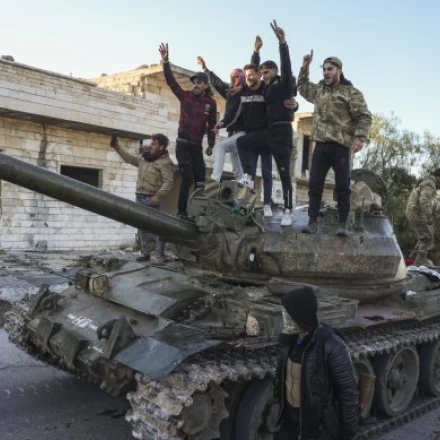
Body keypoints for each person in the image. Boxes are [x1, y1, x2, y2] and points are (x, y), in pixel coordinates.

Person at [298, 52, 372, 236]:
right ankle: (312, 221)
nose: (326, 73)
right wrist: (305, 67)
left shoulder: (350, 93)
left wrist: (359, 137)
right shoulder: (319, 90)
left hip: (341, 146)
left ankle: (342, 224)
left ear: (339, 70)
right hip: (321, 145)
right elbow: (302, 87)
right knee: (314, 184)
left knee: (342, 186)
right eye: (323, 70)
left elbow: (364, 116)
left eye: (330, 69)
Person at [275, 285, 359, 440]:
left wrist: (349, 434)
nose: (284, 318)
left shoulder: (332, 345)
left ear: (301, 315)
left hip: (317, 428)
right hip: (289, 423)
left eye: (288, 314)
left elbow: (349, 393)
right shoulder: (290, 341)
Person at [159, 43, 217, 217]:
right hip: (183, 144)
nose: (196, 85)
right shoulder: (185, 97)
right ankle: (181, 211)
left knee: (200, 181)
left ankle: (199, 212)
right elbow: (171, 82)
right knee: (187, 178)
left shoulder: (210, 103)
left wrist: (211, 145)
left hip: (197, 146)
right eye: (195, 82)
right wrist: (165, 61)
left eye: (200, 82)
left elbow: (212, 125)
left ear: (206, 85)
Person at [252, 21, 298, 226]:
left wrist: (283, 44)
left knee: (284, 173)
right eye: (262, 73)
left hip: (283, 132)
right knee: (244, 142)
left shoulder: (284, 83)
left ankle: (288, 209)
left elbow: (287, 68)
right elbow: (251, 75)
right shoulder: (265, 88)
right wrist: (255, 53)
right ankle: (247, 179)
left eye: (266, 72)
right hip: (268, 132)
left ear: (274, 71)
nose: (263, 75)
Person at [110, 133, 174, 262]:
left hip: (152, 198)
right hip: (139, 197)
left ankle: (159, 254)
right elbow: (130, 159)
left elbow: (169, 182)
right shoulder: (145, 158)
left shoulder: (165, 162)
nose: (150, 146)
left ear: (161, 147)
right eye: (151, 143)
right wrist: (117, 147)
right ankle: (145, 253)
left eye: (154, 144)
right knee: (141, 226)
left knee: (158, 227)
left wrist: (158, 196)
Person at [196, 56, 246, 183]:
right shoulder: (231, 93)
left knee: (221, 146)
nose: (231, 80)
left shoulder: (244, 94)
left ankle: (214, 178)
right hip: (233, 133)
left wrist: (223, 123)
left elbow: (234, 114)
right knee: (237, 170)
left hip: (242, 133)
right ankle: (242, 194)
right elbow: (218, 83)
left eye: (234, 78)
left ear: (239, 79)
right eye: (230, 77)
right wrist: (206, 70)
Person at [406, 169, 440, 267]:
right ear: (438, 176)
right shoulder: (430, 184)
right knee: (428, 237)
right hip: (417, 213)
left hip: (414, 212)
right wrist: (428, 216)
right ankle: (419, 262)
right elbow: (424, 201)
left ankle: (411, 259)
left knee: (425, 236)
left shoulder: (427, 182)